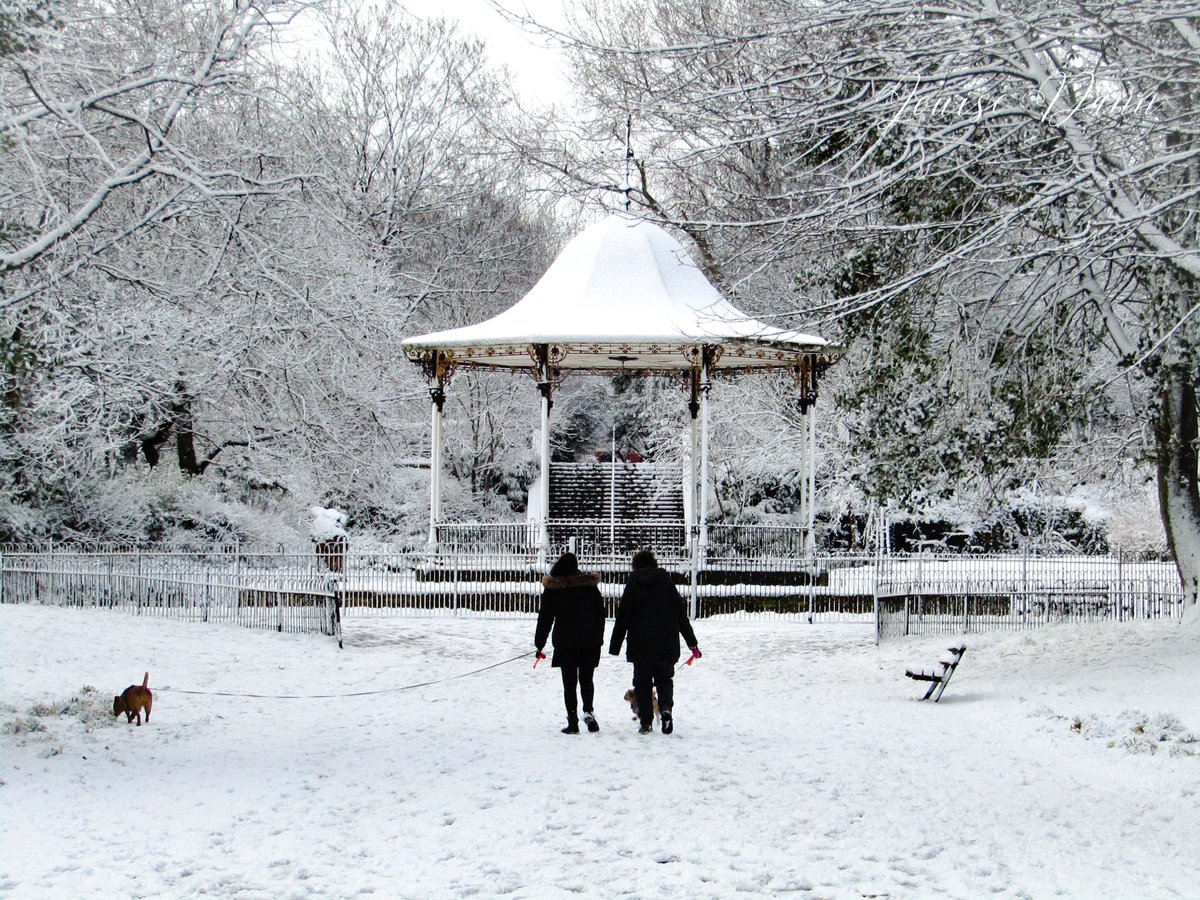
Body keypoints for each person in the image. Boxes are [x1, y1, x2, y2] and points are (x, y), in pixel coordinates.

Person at [608, 549, 701, 735]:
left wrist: (615, 645)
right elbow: (680, 614)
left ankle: (646, 722)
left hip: (640, 643)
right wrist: (692, 642)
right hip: (666, 642)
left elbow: (623, 615)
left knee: (642, 683)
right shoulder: (666, 582)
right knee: (665, 679)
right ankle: (665, 708)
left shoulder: (634, 583)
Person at [535, 551, 606, 734]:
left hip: (565, 642)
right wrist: (598, 636)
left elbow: (545, 618)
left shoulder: (554, 589)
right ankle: (588, 712)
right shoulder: (589, 586)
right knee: (587, 679)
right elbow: (600, 613)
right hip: (589, 641)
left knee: (569, 683)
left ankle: (572, 721)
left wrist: (539, 643)